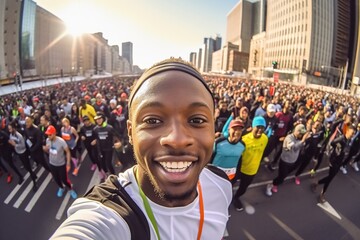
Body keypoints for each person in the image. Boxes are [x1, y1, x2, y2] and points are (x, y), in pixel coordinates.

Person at [51, 58, 232, 239]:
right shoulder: (109, 215)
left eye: (197, 120)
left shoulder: (221, 185)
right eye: (152, 121)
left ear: (213, 128)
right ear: (130, 132)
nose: (177, 140)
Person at [311, 124, 356, 203]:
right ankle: (321, 194)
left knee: (330, 178)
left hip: (339, 161)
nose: (353, 135)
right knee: (330, 179)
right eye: (352, 133)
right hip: (334, 161)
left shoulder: (348, 140)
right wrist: (337, 149)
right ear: (348, 131)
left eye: (354, 133)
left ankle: (316, 183)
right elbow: (332, 143)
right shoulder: (342, 138)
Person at [233, 116, 268, 211]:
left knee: (243, 188)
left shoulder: (265, 138)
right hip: (239, 170)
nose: (260, 130)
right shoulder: (244, 140)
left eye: (262, 127)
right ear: (252, 127)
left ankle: (236, 198)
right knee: (229, 185)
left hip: (252, 170)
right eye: (258, 126)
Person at [266, 124, 310, 196]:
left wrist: (304, 141)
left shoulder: (299, 139)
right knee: (281, 178)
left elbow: (301, 148)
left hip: (293, 161)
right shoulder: (289, 138)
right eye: (300, 133)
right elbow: (294, 148)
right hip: (285, 162)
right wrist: (302, 141)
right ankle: (270, 185)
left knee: (284, 175)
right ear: (296, 131)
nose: (301, 135)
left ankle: (276, 183)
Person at [43, 125, 78, 199]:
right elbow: (48, 150)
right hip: (52, 163)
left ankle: (70, 189)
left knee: (64, 179)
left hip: (61, 164)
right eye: (47, 135)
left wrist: (68, 162)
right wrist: (45, 149)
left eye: (50, 134)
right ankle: (61, 188)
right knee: (56, 179)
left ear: (54, 133)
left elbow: (68, 151)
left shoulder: (61, 141)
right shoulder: (47, 140)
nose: (49, 136)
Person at [8, 121, 38, 191]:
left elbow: (23, 146)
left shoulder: (19, 135)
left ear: (14, 128)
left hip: (23, 153)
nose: (9, 130)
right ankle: (34, 175)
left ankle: (34, 182)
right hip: (19, 153)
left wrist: (15, 145)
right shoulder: (11, 134)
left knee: (28, 168)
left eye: (10, 129)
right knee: (26, 167)